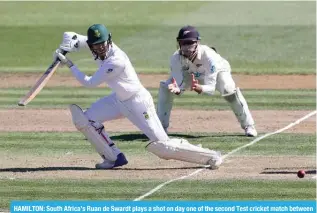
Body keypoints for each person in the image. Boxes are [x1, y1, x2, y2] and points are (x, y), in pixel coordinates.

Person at [53, 24, 222, 170]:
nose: (100, 49)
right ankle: (113, 157)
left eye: (102, 45)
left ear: (109, 40)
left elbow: (90, 83)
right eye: (95, 46)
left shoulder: (116, 60)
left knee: (163, 147)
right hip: (118, 100)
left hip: (137, 102)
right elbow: (75, 37)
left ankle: (210, 156)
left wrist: (69, 64)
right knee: (85, 119)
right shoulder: (95, 45)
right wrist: (66, 45)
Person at [157, 25, 258, 137]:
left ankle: (249, 126)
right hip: (190, 73)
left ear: (197, 43)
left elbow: (210, 88)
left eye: (189, 42)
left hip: (219, 72)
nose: (186, 47)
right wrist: (176, 89)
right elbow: (179, 85)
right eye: (183, 43)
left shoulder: (209, 57)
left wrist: (200, 88)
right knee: (166, 87)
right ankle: (161, 128)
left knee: (228, 90)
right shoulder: (176, 58)